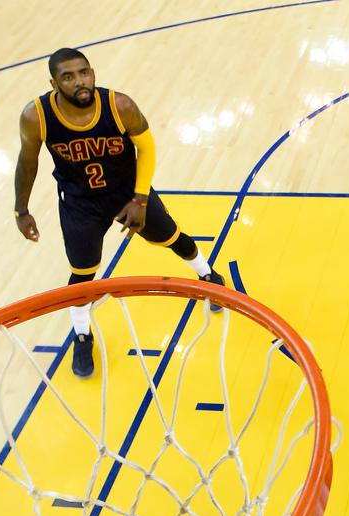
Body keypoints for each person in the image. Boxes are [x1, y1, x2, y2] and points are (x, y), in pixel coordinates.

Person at [13, 47, 227, 378]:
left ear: (92, 72)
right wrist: (21, 210)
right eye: (68, 77)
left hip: (128, 192)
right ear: (54, 83)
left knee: (172, 237)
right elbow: (28, 161)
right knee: (82, 276)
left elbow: (147, 147)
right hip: (79, 200)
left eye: (84, 73)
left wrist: (140, 198)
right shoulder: (36, 116)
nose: (79, 82)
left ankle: (208, 274)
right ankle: (82, 335)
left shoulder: (119, 105)